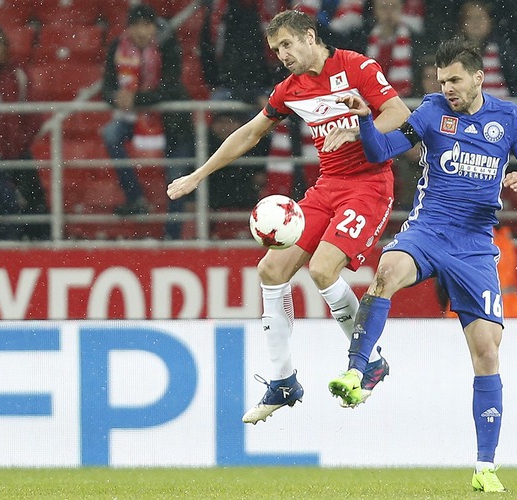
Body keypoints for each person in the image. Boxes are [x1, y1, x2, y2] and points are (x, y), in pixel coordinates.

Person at [327, 37, 517, 492]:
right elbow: (380, 151)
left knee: (487, 352)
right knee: (387, 272)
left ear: (478, 77)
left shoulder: (508, 118)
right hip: (428, 230)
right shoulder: (431, 111)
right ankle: (357, 368)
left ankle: (485, 467)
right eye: (441, 80)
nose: (447, 88)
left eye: (454, 80)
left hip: (475, 246)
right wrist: (366, 120)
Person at [167, 10, 411, 423]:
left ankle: (368, 361)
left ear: (310, 37)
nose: (282, 54)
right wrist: (198, 174)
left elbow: (398, 112)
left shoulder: (355, 66)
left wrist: (357, 129)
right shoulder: (290, 89)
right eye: (276, 49)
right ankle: (283, 381)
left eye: (286, 44)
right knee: (270, 269)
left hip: (369, 186)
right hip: (327, 186)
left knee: (322, 270)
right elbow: (250, 133)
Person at [101, 4, 195, 239]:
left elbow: (171, 87)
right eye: (136, 26)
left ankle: (172, 236)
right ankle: (135, 197)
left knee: (176, 178)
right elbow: (107, 86)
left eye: (146, 25)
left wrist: (136, 98)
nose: (141, 31)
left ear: (154, 27)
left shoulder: (168, 44)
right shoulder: (117, 46)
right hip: (133, 117)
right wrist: (116, 97)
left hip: (173, 122)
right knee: (110, 134)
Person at [0, 22, 48, 240]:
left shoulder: (18, 74)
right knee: (3, 204)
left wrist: (17, 144)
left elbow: (33, 116)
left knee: (34, 202)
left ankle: (40, 245)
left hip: (17, 153)